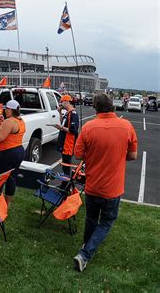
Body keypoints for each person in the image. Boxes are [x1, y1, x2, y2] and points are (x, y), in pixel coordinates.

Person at [73, 93, 137, 272]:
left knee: (91, 218)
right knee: (107, 221)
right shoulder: (126, 126)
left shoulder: (88, 127)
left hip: (92, 185)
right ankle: (84, 254)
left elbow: (78, 154)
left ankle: (86, 246)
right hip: (113, 188)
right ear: (112, 106)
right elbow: (132, 155)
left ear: (95, 108)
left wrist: (94, 154)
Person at [0, 100, 25, 208]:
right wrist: (3, 122)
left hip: (8, 153)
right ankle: (6, 205)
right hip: (19, 151)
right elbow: (10, 130)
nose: (4, 111)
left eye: (6, 109)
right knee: (11, 178)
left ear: (10, 110)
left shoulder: (9, 122)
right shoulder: (20, 120)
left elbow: (0, 137)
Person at [54, 94, 79, 184]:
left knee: (66, 165)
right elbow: (62, 123)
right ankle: (65, 184)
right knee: (65, 165)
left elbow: (73, 130)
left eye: (62, 102)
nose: (61, 104)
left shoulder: (73, 114)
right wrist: (59, 113)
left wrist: (61, 128)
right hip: (64, 143)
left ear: (67, 102)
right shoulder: (67, 113)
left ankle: (65, 185)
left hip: (68, 144)